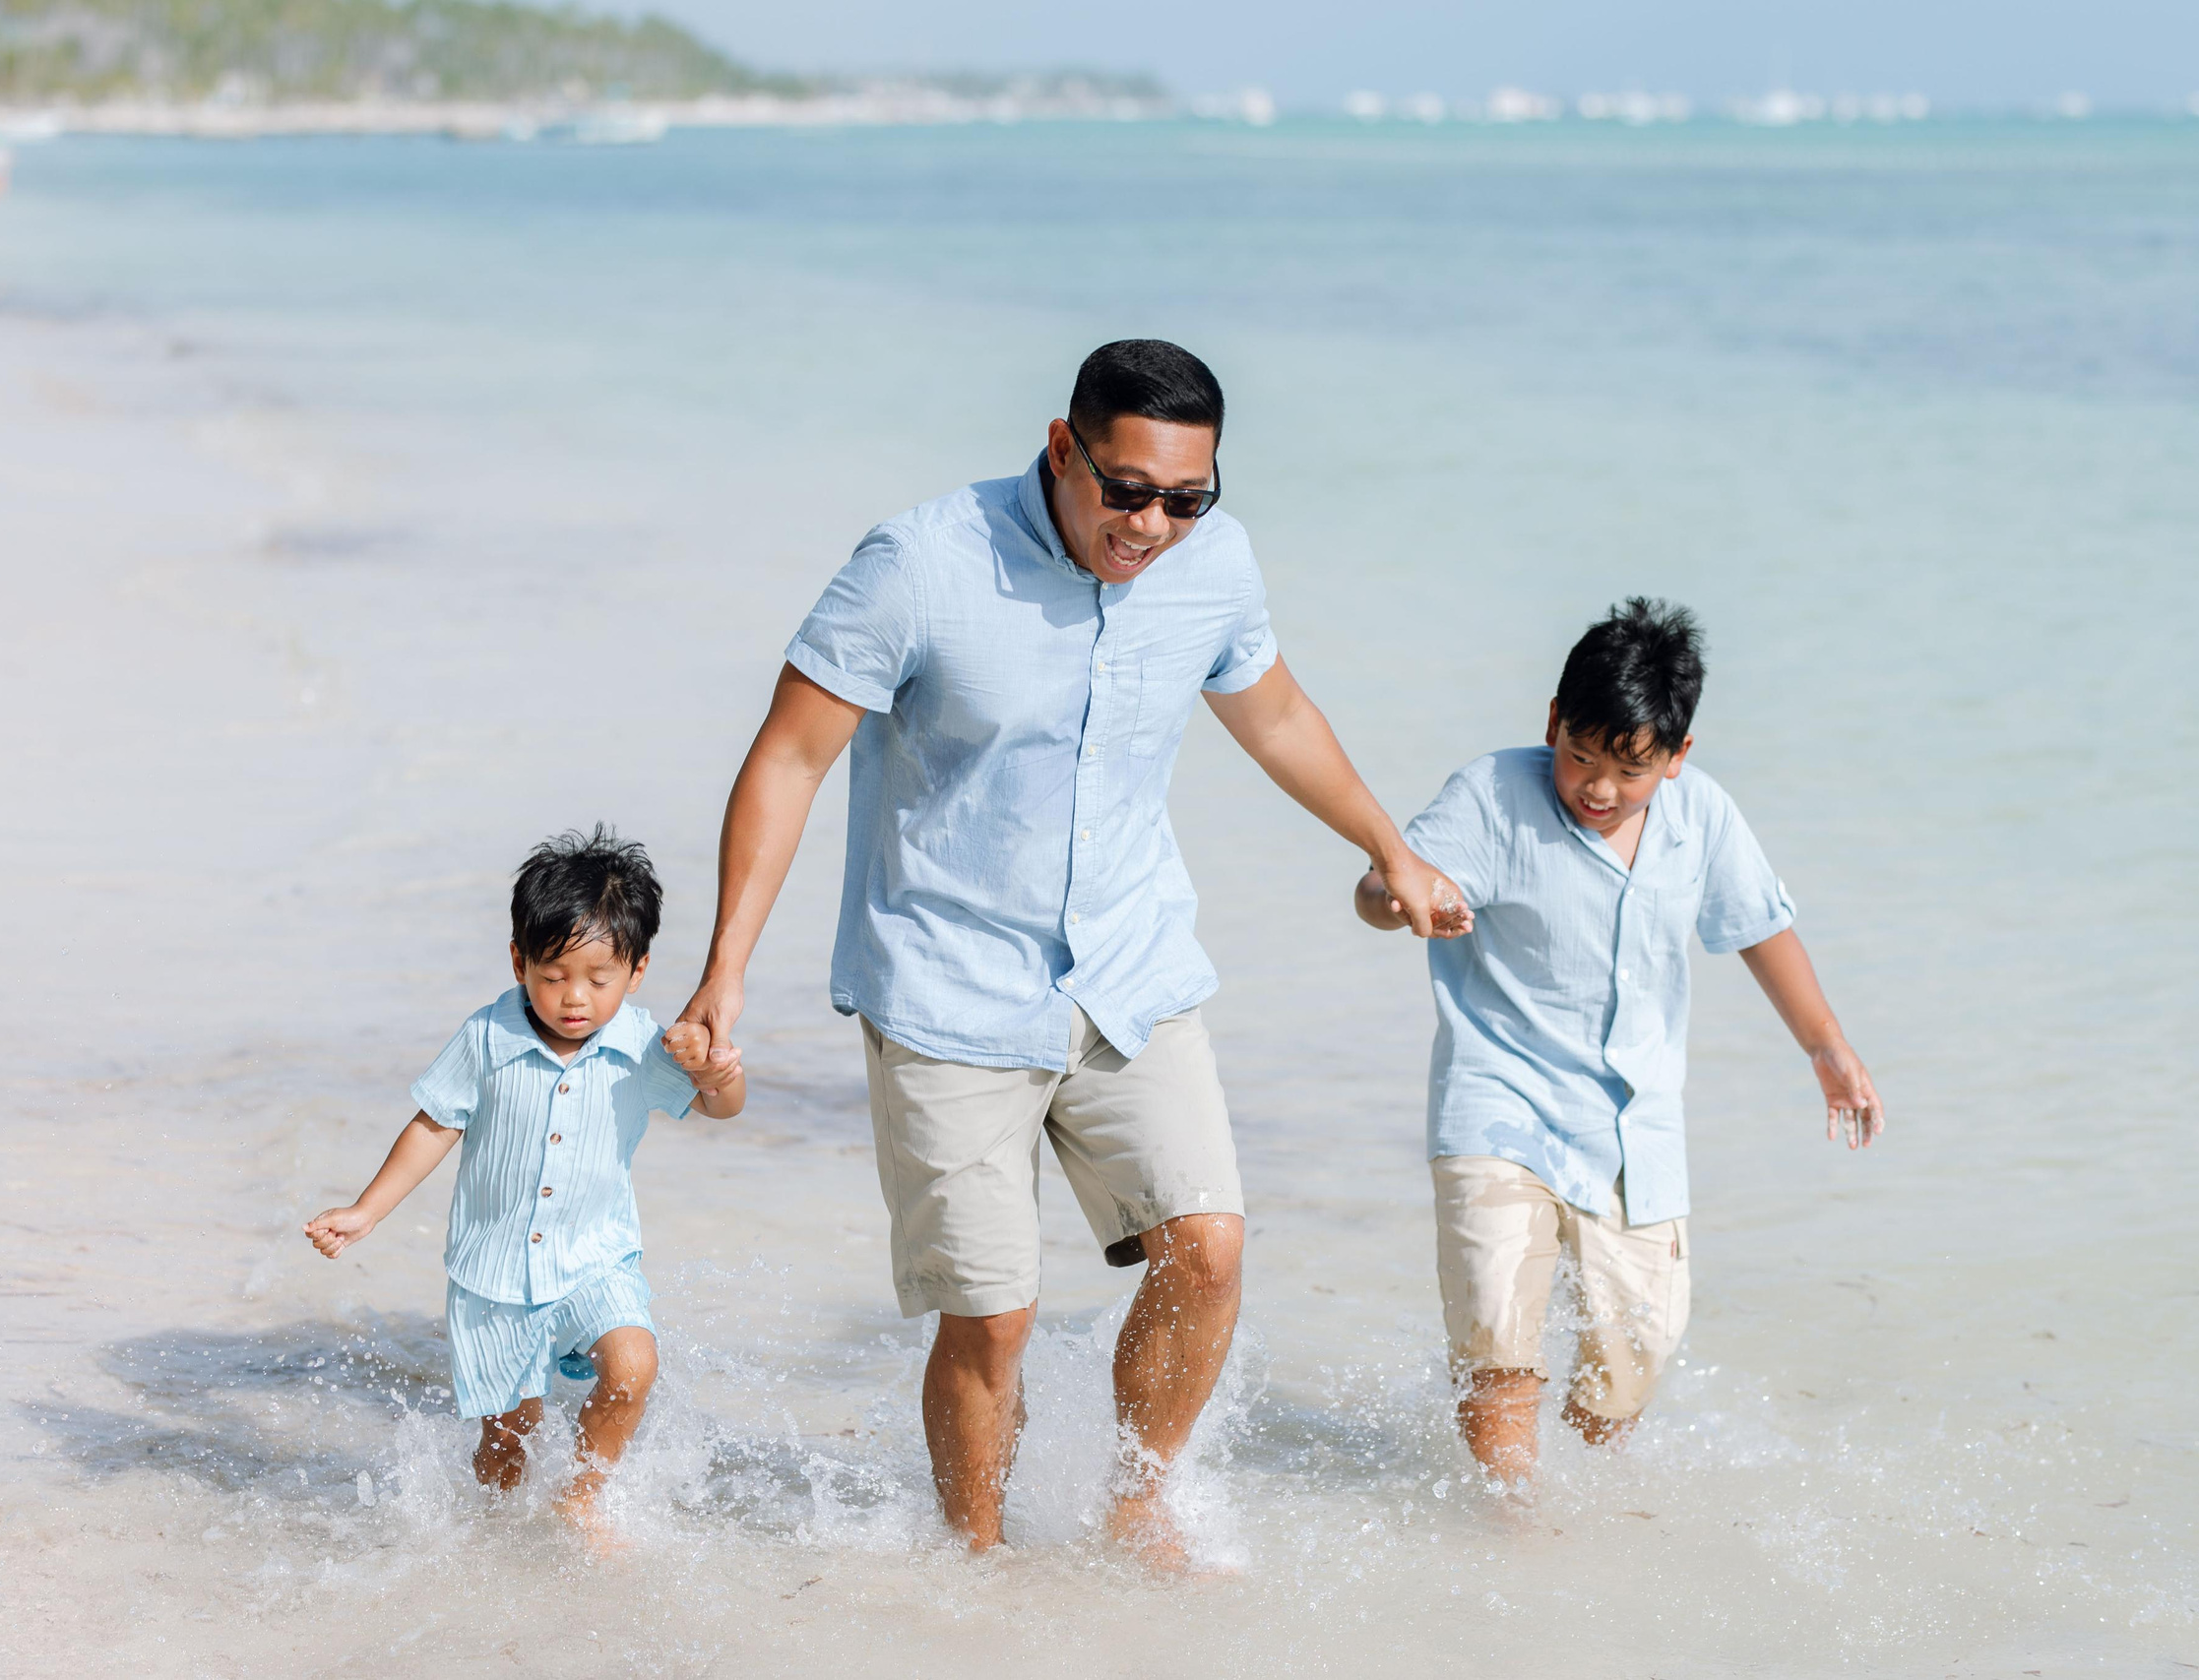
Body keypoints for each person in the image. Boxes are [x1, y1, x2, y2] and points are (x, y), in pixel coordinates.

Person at [671, 340, 1470, 1564]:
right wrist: (725, 969)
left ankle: (1136, 1505)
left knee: (1205, 1251)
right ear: (1062, 447)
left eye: (1186, 498)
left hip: (1128, 972)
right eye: (1127, 490)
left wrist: (1387, 847)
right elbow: (787, 756)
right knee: (993, 1318)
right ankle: (978, 1566)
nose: (1152, 525)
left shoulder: (1214, 564)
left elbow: (1272, 712)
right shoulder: (919, 565)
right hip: (947, 988)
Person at [1355, 598, 1884, 1482]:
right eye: (1580, 757)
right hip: (1498, 1102)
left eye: (1630, 769)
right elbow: (1378, 889)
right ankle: (1511, 1521)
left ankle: (1589, 1503)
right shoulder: (1491, 795)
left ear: (1677, 756)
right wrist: (1402, 898)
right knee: (1499, 1340)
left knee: (1634, 1355)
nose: (1597, 788)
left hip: (1635, 1127)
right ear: (1552, 723)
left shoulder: (1701, 817)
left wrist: (1826, 1047)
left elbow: (1758, 928)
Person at [303, 828, 743, 1546]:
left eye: (598, 979)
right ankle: (495, 1539)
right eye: (553, 975)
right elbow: (433, 1125)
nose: (574, 998)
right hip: (495, 1275)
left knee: (633, 1366)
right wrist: (366, 1210)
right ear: (518, 961)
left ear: (636, 972)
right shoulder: (485, 1038)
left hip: (595, 1260)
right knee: (509, 1439)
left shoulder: (644, 1045)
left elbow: (722, 1108)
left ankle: (581, 1497)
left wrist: (716, 1071)